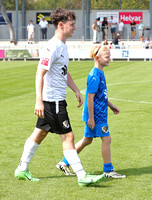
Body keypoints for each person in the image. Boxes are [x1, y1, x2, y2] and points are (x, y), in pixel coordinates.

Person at [14, 8, 104, 187]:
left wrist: (76, 90)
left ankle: (22, 168)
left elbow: (63, 72)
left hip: (56, 100)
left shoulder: (62, 45)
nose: (75, 27)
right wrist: (39, 100)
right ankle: (82, 175)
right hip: (53, 101)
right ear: (61, 25)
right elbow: (40, 72)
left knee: (39, 133)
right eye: (71, 24)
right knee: (68, 137)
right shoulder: (53, 46)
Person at [56, 45, 126, 179]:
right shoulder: (94, 75)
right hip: (97, 115)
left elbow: (100, 95)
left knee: (87, 140)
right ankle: (108, 170)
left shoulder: (99, 73)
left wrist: (110, 105)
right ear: (97, 58)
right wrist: (92, 118)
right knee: (107, 139)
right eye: (107, 57)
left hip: (98, 113)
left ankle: (64, 162)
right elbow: (90, 97)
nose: (109, 59)